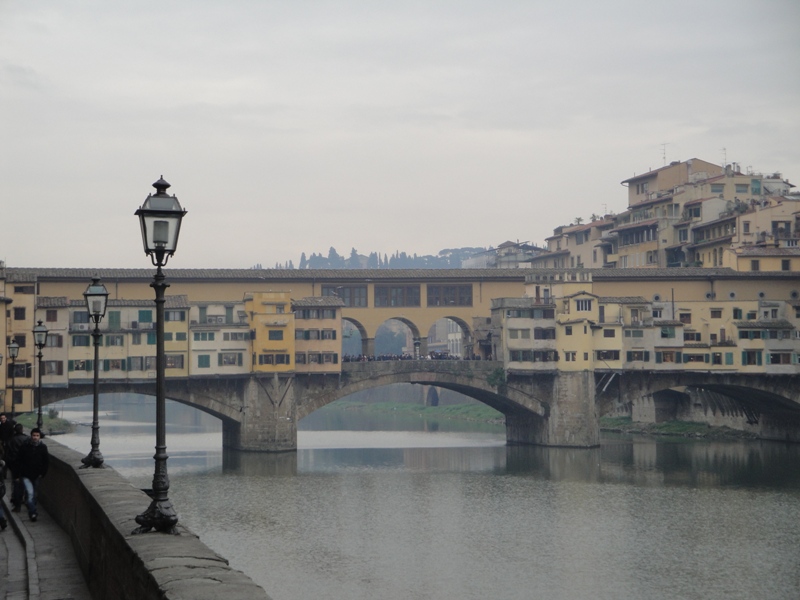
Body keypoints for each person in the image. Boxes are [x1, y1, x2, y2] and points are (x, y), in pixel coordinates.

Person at [17, 427, 49, 522]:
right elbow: (19, 460)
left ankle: (31, 509)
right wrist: (18, 474)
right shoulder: (24, 447)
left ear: (39, 437)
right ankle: (33, 512)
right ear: (31, 436)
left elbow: (46, 462)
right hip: (26, 475)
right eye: (34, 435)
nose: (35, 437)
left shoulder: (43, 448)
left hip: (37, 475)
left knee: (34, 495)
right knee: (30, 494)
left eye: (37, 436)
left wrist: (42, 473)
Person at [7, 423, 28, 512]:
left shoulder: (11, 440)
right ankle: (25, 500)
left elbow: (8, 454)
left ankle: (17, 504)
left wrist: (10, 466)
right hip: (25, 465)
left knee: (16, 485)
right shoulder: (27, 439)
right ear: (22, 430)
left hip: (15, 465)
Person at [0, 413, 14, 478]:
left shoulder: (9, 425)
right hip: (2, 444)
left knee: (5, 459)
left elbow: (11, 435)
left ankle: (4, 474)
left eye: (3, 418)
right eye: (1, 418)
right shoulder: (1, 425)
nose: (2, 419)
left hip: (7, 444)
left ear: (6, 418)